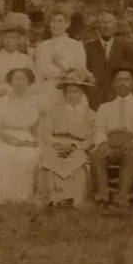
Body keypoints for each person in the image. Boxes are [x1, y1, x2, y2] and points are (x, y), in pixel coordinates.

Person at [90, 66, 133, 207]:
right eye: (119, 80)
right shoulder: (105, 107)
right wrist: (102, 143)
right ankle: (102, 196)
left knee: (131, 156)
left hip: (130, 144)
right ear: (113, 84)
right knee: (96, 155)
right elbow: (99, 128)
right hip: (110, 145)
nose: (122, 83)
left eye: (126, 79)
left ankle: (122, 197)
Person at [36, 67, 98, 206]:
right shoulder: (54, 111)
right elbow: (46, 132)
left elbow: (93, 136)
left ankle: (71, 197)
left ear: (82, 93)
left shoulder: (90, 114)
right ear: (64, 94)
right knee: (49, 157)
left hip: (76, 147)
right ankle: (52, 197)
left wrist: (77, 146)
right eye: (69, 91)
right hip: (57, 144)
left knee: (76, 160)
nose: (72, 95)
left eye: (75, 91)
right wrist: (54, 144)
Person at [0, 67, 42, 204]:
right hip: (0, 135)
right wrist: (9, 138)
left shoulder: (35, 101)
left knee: (28, 155)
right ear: (10, 82)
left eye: (23, 79)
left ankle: (21, 196)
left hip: (25, 136)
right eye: (16, 79)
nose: (20, 82)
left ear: (29, 81)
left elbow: (38, 125)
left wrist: (36, 141)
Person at [34, 8, 88, 108]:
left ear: (67, 24)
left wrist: (64, 69)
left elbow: (81, 72)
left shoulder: (76, 45)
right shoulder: (42, 46)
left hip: (68, 90)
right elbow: (39, 74)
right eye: (53, 21)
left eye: (60, 21)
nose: (56, 25)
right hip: (47, 91)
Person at [0, 13, 36, 100]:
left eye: (13, 38)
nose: (9, 41)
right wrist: (0, 90)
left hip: (20, 100)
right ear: (1, 39)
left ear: (18, 40)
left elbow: (33, 84)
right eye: (6, 38)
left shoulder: (25, 59)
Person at [86, 12, 133, 108]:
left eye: (110, 22)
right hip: (94, 98)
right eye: (103, 22)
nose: (106, 26)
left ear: (115, 27)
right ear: (98, 27)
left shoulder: (125, 48)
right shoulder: (88, 48)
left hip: (117, 96)